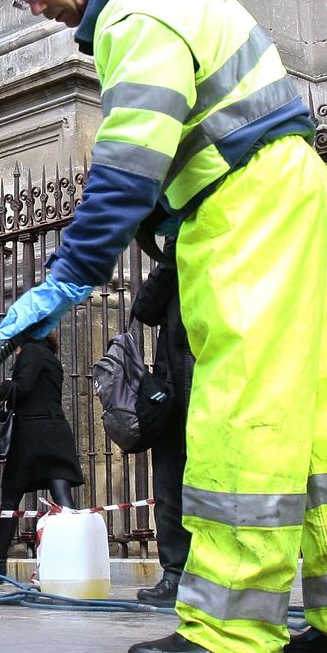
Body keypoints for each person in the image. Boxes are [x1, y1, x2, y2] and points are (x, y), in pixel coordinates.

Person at [0, 0, 327, 653]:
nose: (36, 9)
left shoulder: (133, 16)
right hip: (288, 190)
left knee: (241, 403)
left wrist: (67, 278)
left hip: (244, 205)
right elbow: (176, 146)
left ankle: (229, 626)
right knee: (318, 404)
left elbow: (127, 166)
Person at [0, 332, 84, 576]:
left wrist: (4, 387)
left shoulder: (32, 352)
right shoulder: (52, 358)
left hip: (33, 436)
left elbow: (21, 389)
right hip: (54, 432)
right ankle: (75, 561)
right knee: (61, 494)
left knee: (10, 497)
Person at [128, 239, 192, 607]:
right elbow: (144, 308)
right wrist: (170, 261)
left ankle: (194, 574)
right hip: (173, 390)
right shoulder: (176, 266)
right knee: (170, 488)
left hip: (211, 384)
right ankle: (176, 575)